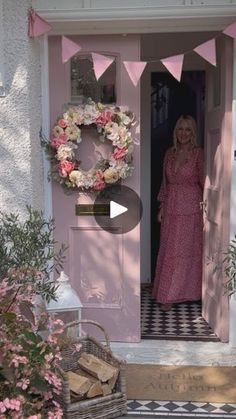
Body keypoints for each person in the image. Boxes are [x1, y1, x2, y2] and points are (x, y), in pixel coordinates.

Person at [152, 115, 204, 311]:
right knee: (170, 251)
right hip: (172, 207)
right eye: (180, 129)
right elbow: (165, 184)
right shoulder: (169, 153)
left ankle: (190, 293)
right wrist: (162, 207)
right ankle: (167, 294)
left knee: (188, 252)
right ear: (176, 132)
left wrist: (208, 209)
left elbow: (204, 183)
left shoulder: (198, 154)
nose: (183, 133)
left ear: (193, 133)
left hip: (191, 208)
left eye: (188, 129)